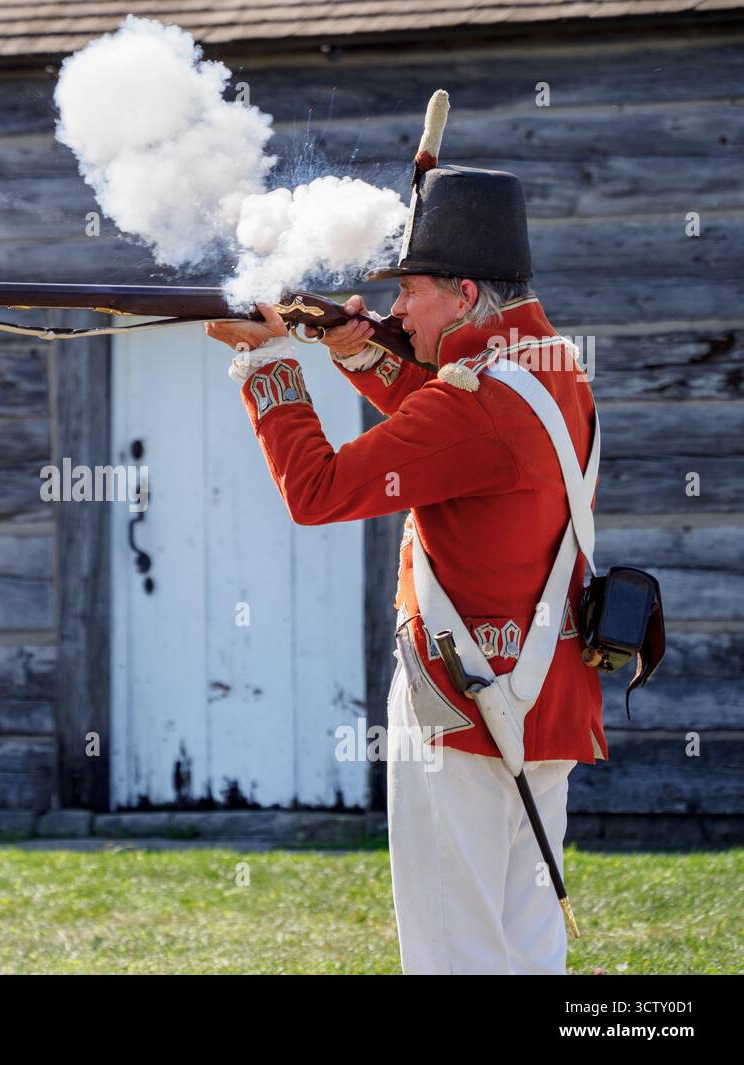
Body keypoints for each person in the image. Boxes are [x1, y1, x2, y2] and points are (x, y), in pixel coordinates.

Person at [206, 164, 602, 974]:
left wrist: (270, 364)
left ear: (460, 293)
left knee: (454, 951)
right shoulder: (547, 363)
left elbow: (318, 493)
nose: (393, 310)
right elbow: (453, 430)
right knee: (524, 944)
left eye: (409, 292)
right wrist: (359, 354)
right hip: (539, 696)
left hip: (462, 709)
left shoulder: (476, 400)